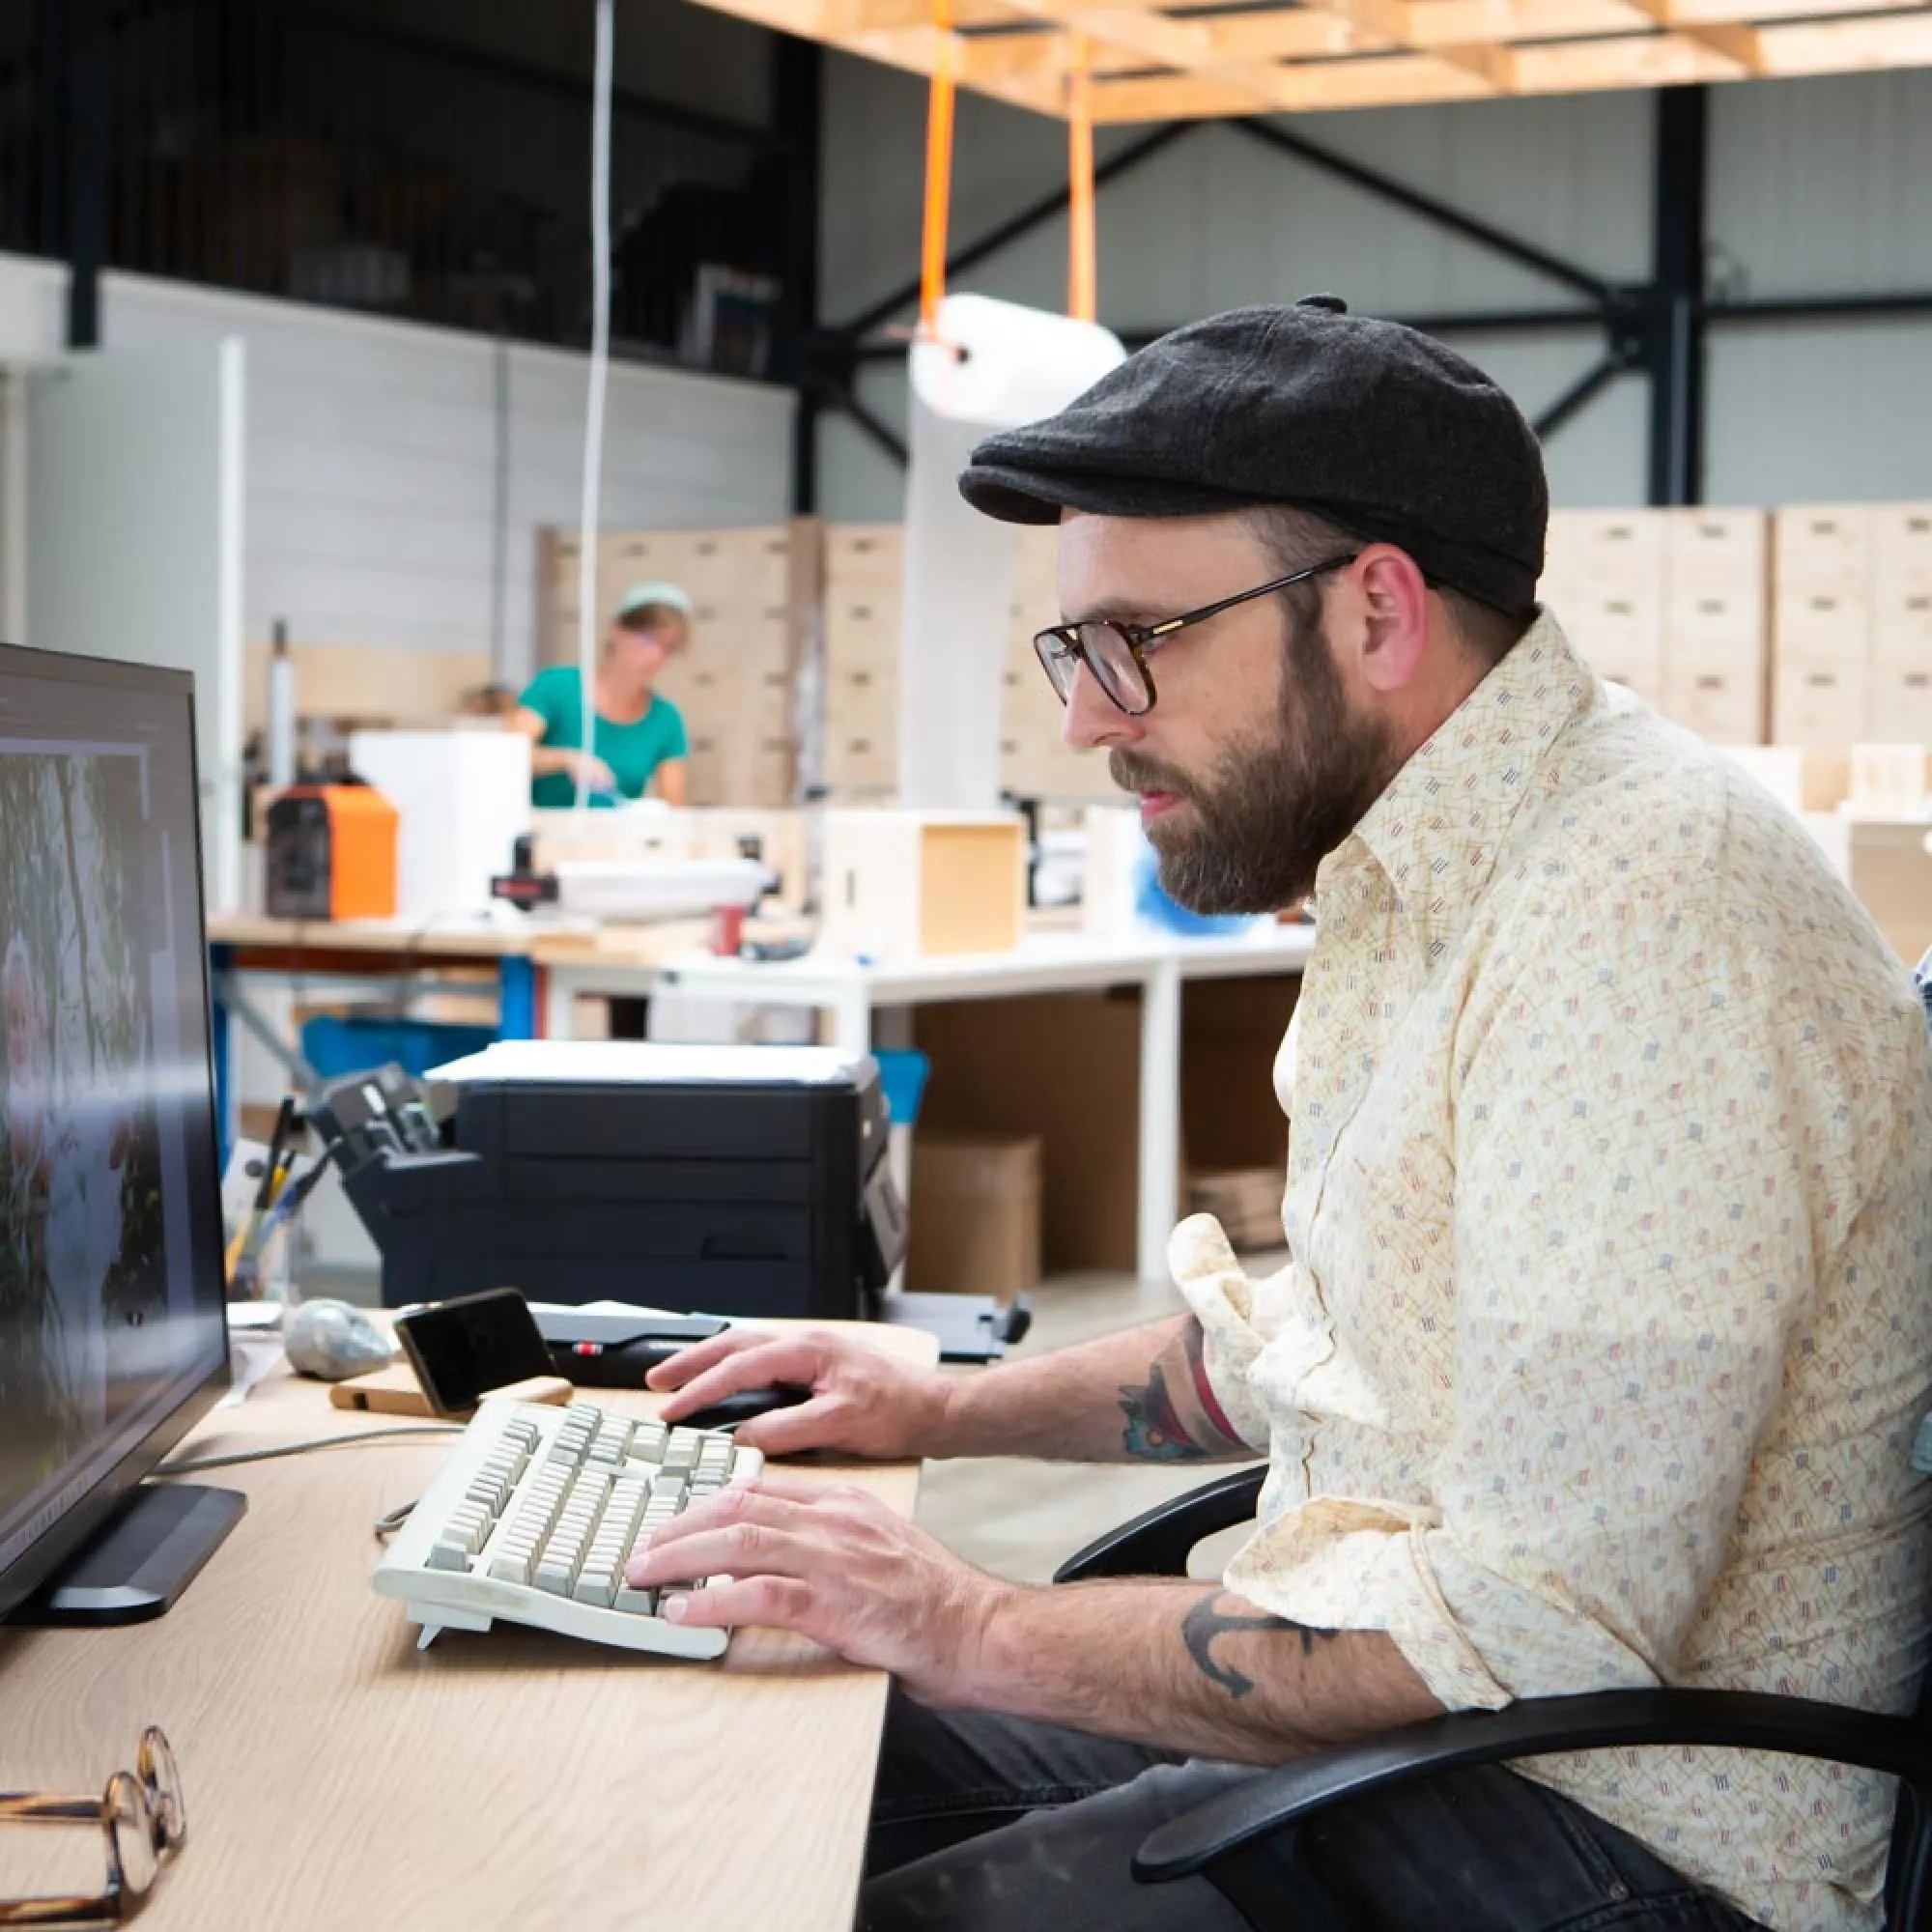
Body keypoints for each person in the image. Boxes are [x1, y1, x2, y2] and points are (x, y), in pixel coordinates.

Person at [624, 298, 1932, 1932]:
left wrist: (972, 1621)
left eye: (1135, 643)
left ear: (1377, 610)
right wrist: (938, 1407)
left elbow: (1534, 1627)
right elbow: (1334, 1345)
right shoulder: (1414, 870)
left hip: (1618, 1835)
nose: (1090, 717)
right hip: (1447, 1742)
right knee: (779, 1750)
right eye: (1072, 651)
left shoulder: (1644, 915)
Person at [514, 582, 691, 810]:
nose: (656, 656)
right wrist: (567, 758)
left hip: (613, 837)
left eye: (668, 648)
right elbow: (505, 757)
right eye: (648, 640)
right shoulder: (556, 686)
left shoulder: (665, 720)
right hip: (542, 834)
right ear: (615, 630)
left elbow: (674, 809)